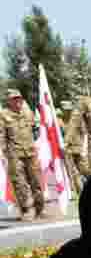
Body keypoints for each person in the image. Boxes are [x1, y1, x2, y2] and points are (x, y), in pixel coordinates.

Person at [2, 89, 47, 221]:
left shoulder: (28, 113)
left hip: (31, 152)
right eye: (14, 99)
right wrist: (3, 154)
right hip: (14, 154)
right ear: (9, 101)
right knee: (20, 183)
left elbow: (36, 128)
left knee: (36, 181)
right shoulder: (3, 115)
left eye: (19, 98)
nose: (17, 101)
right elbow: (1, 136)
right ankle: (26, 209)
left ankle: (40, 209)